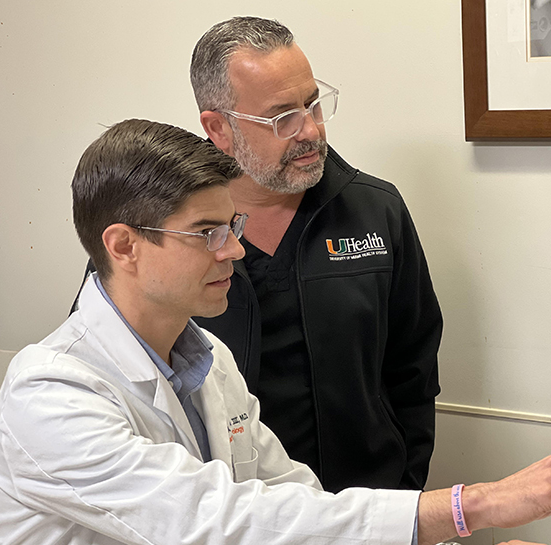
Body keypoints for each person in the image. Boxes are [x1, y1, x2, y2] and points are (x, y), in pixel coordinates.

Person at [0, 119, 551, 545]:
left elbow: (292, 508)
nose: (234, 250)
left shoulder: (209, 366)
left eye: (232, 225)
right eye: (206, 232)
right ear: (123, 246)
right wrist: (476, 505)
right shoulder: (52, 393)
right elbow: (221, 526)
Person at [189, 16, 444, 493]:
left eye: (313, 104)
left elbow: (414, 371)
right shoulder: (163, 231)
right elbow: (119, 370)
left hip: (367, 508)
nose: (309, 129)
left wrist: (404, 491)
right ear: (218, 128)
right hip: (230, 522)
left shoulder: (375, 211)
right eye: (282, 116)